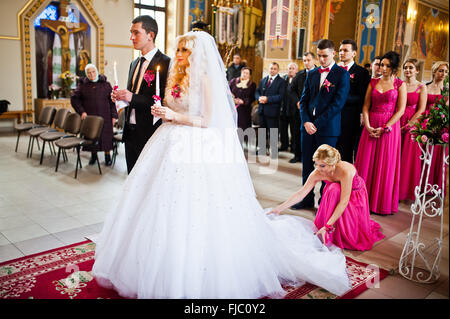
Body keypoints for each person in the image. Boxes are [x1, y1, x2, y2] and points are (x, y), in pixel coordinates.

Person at [92, 31, 351, 299]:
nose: (178, 55)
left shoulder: (205, 79)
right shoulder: (176, 77)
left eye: (184, 50)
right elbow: (171, 107)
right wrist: (163, 112)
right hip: (167, 141)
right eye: (178, 49)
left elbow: (206, 119)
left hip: (196, 146)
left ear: (196, 54)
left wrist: (174, 116)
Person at [269, 144, 385, 251]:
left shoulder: (345, 171)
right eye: (316, 164)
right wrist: (279, 208)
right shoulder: (317, 172)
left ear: (333, 163)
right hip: (334, 194)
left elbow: (344, 201)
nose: (318, 168)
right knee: (333, 189)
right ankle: (329, 228)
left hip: (354, 196)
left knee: (335, 188)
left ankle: (333, 228)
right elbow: (301, 193)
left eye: (322, 165)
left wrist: (328, 226)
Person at [294, 39, 350, 210]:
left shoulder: (342, 74)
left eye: (325, 56)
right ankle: (306, 199)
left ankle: (325, 202)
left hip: (327, 129)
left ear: (333, 54)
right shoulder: (312, 74)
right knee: (307, 165)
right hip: (308, 128)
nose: (322, 60)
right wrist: (306, 121)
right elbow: (303, 102)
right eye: (319, 56)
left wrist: (315, 124)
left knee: (327, 168)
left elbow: (337, 104)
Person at [112, 15, 171, 174]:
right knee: (132, 180)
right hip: (130, 133)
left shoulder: (166, 63)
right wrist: (120, 98)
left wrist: (131, 97)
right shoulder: (134, 64)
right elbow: (132, 97)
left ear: (150, 35)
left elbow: (163, 102)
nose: (131, 37)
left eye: (136, 33)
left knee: (148, 183)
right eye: (131, 33)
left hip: (150, 133)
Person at [354, 51, 407, 215]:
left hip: (389, 129)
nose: (383, 68)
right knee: (366, 162)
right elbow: (365, 106)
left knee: (386, 164)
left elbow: (401, 110)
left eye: (387, 66)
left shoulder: (400, 84)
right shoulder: (373, 82)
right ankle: (361, 201)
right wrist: (368, 126)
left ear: (394, 68)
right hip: (371, 125)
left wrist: (385, 127)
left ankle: (380, 203)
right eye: (381, 65)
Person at [71, 64, 118, 166]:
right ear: (86, 74)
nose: (91, 74)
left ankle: (107, 156)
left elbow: (112, 102)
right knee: (92, 137)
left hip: (105, 115)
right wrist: (81, 111)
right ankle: (94, 156)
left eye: (93, 71)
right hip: (90, 117)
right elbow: (74, 99)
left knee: (106, 138)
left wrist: (114, 115)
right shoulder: (83, 85)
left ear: (97, 71)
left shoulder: (106, 84)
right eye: (88, 72)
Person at [336, 39, 371, 163]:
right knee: (330, 152)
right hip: (332, 117)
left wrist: (340, 99)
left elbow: (362, 96)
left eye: (345, 50)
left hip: (350, 117)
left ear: (354, 53)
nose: (342, 53)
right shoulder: (334, 70)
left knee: (345, 152)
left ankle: (345, 180)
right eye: (340, 50)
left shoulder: (361, 72)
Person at [399, 59, 427, 200]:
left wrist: (409, 125)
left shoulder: (421, 87)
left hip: (412, 124)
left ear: (417, 70)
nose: (407, 70)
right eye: (405, 67)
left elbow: (422, 109)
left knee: (407, 160)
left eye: (411, 67)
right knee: (396, 157)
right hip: (398, 121)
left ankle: (404, 192)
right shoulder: (399, 84)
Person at [426, 61, 449, 190]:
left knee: (436, 156)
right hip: (425, 124)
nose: (443, 74)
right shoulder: (426, 87)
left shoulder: (447, 90)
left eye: (445, 72)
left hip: (440, 125)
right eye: (441, 71)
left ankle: (434, 186)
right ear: (434, 71)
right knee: (424, 155)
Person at [255, 62, 286, 157]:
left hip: (273, 111)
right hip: (262, 110)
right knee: (262, 131)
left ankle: (274, 151)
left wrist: (268, 99)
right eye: (271, 68)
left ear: (278, 70)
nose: (272, 70)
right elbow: (257, 91)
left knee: (273, 131)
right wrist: (259, 98)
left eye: (274, 68)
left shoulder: (281, 82)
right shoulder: (263, 80)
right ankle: (262, 149)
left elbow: (281, 96)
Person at [290, 52, 317, 163]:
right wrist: (297, 101)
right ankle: (297, 155)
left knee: (313, 134)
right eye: (304, 60)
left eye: (308, 60)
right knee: (297, 133)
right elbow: (291, 90)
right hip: (300, 110)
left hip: (314, 111)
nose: (306, 62)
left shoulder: (319, 73)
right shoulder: (300, 75)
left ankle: (313, 158)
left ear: (314, 60)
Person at [229, 67, 256, 131]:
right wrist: (232, 99)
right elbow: (227, 92)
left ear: (249, 75)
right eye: (244, 72)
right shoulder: (233, 81)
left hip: (244, 110)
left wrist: (243, 101)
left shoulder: (252, 85)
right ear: (241, 73)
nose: (245, 74)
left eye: (247, 73)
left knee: (243, 128)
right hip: (233, 108)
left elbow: (252, 98)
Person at [279, 62, 298, 152]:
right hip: (284, 108)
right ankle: (284, 145)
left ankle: (294, 147)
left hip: (294, 109)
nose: (290, 70)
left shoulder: (299, 79)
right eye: (289, 68)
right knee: (283, 129)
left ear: (296, 70)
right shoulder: (283, 79)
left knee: (294, 130)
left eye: (293, 68)